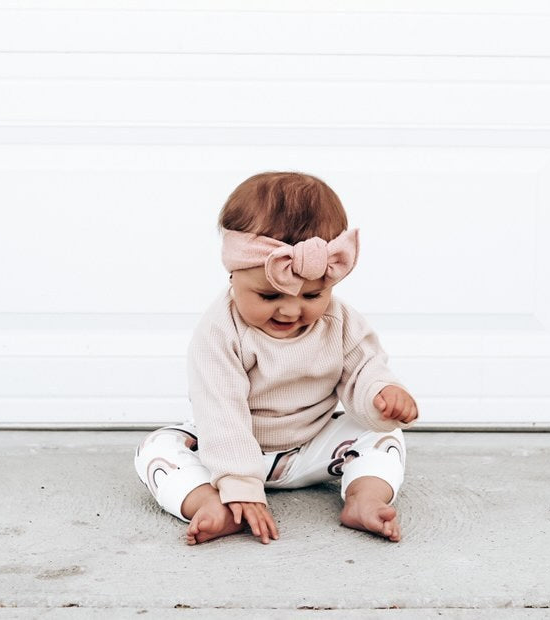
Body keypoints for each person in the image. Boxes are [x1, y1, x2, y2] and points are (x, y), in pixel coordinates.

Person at [134, 171, 418, 545]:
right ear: (232, 273)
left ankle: (364, 497)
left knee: (382, 434)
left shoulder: (340, 321)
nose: (289, 311)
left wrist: (381, 393)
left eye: (313, 296)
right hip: (227, 449)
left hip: (314, 446)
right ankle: (210, 502)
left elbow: (363, 368)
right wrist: (239, 483)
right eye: (269, 297)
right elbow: (219, 409)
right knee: (157, 449)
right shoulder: (221, 330)